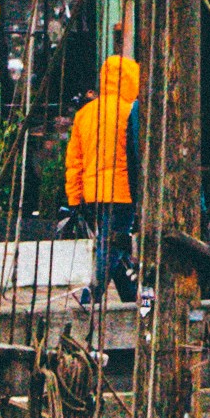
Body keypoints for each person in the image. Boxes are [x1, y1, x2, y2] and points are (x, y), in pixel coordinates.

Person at [62, 49, 141, 302]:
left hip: (93, 194)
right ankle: (90, 298)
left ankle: (133, 300)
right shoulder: (131, 112)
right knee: (113, 246)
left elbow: (74, 161)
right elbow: (139, 155)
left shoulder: (84, 114)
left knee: (113, 245)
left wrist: (74, 199)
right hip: (122, 192)